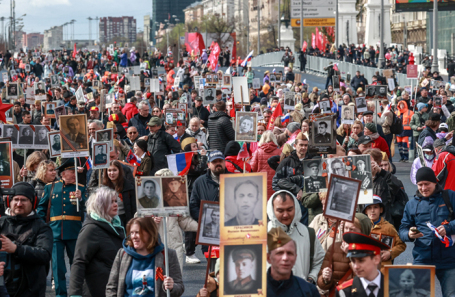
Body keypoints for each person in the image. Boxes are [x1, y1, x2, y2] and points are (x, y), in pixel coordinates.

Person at [399, 167, 455, 297]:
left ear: (435, 182)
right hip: (422, 259)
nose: (423, 188)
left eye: (427, 184)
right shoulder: (411, 204)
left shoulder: (450, 196)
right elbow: (402, 229)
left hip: (449, 259)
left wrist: (448, 228)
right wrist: (409, 234)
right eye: (420, 185)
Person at [36, 158, 87, 297]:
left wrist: (81, 199)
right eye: (72, 172)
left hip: (74, 231)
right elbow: (41, 209)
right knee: (58, 267)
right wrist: (39, 227)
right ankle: (60, 294)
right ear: (63, 173)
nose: (75, 174)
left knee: (76, 265)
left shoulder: (81, 188)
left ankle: (77, 293)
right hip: (55, 232)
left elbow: (89, 208)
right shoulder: (50, 187)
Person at [105, 217, 184, 297]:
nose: (133, 236)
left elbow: (180, 287)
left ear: (150, 233)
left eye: (137, 232)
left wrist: (172, 287)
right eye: (132, 233)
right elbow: (111, 288)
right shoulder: (122, 254)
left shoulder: (167, 254)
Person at [68, 187, 125, 297]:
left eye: (115, 201)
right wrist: (74, 294)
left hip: (113, 289)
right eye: (111, 202)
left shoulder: (117, 225)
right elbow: (79, 263)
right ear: (100, 204)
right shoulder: (91, 229)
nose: (116, 205)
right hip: (96, 290)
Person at [0, 182, 52, 297]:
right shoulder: (1, 223)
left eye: (24, 200)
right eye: (16, 199)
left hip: (30, 290)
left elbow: (44, 255)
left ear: (33, 203)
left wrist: (16, 249)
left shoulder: (42, 227)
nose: (19, 204)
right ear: (9, 202)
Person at [267, 190, 325, 284]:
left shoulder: (307, 233)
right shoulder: (261, 235)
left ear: (296, 208)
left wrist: (311, 278)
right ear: (272, 210)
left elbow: (320, 259)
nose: (285, 215)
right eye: (280, 210)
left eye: (289, 210)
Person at [188, 150, 228, 263]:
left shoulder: (235, 179)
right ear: (208, 164)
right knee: (212, 268)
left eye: (220, 161)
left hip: (230, 231)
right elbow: (193, 205)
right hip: (209, 232)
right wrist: (203, 219)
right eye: (214, 162)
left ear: (224, 162)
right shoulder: (199, 182)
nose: (218, 164)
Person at [272, 132, 319, 225]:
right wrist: (289, 194)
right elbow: (275, 183)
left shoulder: (313, 161)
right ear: (295, 145)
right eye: (301, 145)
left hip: (309, 202)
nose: (303, 148)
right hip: (291, 203)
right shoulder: (286, 162)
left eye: (306, 145)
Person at [267, 227, 319, 296]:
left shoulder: (308, 291)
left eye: (289, 253)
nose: (285, 258)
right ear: (268, 258)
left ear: (295, 257)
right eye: (279, 253)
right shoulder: (255, 290)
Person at [335, 232, 390, 297]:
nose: (355, 266)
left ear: (376, 259)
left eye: (361, 261)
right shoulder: (345, 291)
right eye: (353, 261)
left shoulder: (396, 288)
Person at [362, 196, 406, 269]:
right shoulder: (361, 226)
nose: (372, 210)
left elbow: (401, 245)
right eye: (369, 208)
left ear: (381, 210)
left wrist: (390, 253)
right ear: (366, 211)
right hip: (365, 268)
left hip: (383, 269)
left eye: (375, 207)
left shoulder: (389, 227)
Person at [102, 160, 136, 226]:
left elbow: (133, 207)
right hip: (109, 219)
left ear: (119, 171)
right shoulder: (103, 187)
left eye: (114, 170)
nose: (112, 173)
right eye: (109, 170)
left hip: (124, 219)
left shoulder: (128, 186)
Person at [250, 130, 282, 198]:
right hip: (275, 184)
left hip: (261, 183)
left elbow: (252, 169)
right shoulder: (279, 152)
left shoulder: (258, 152)